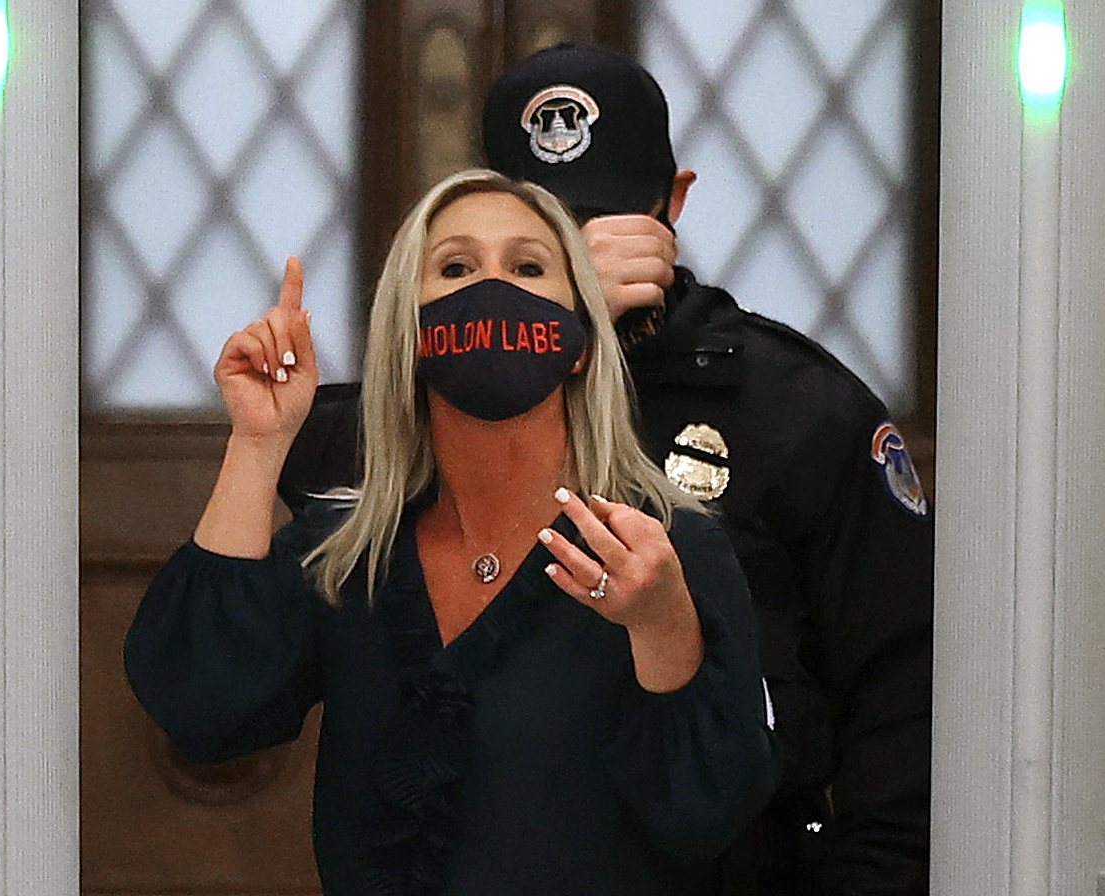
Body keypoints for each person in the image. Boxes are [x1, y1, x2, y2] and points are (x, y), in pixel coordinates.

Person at [279, 43, 934, 896]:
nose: (586, 252)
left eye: (607, 219)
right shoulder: (421, 402)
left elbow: (905, 703)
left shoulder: (795, 408)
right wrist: (544, 317)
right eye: (547, 230)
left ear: (674, 202)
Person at [125, 169, 780, 896]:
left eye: (528, 266)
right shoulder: (348, 554)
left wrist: (660, 624)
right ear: (410, 331)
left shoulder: (661, 551)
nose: (489, 290)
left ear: (582, 342)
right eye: (456, 267)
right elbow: (203, 709)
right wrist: (258, 442)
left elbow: (706, 818)